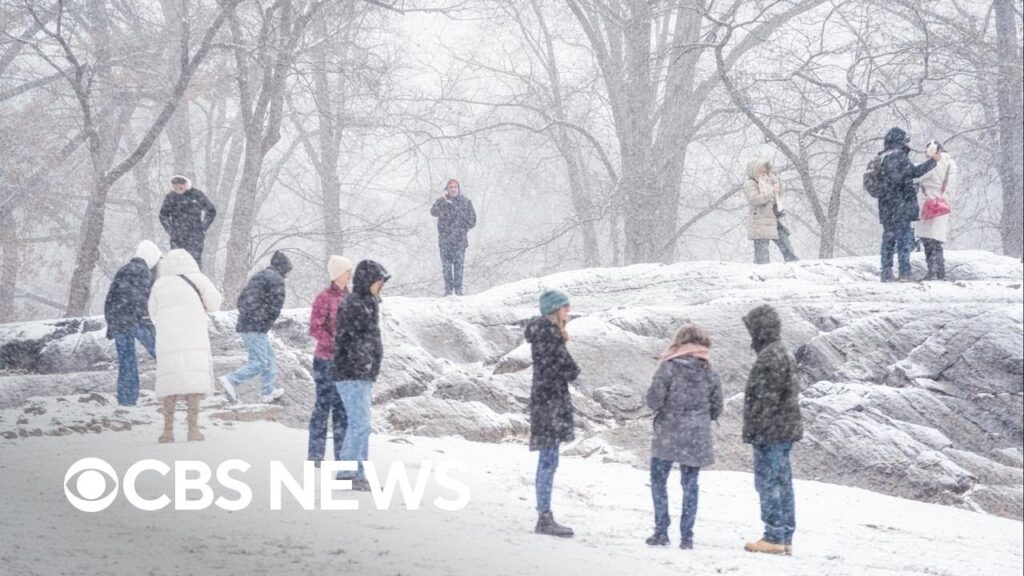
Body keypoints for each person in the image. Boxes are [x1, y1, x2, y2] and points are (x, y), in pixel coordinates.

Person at [644, 324, 723, 549]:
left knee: (659, 481)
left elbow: (653, 401)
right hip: (696, 436)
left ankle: (661, 531)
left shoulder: (668, 367)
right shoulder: (709, 371)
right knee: (690, 484)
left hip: (668, 433)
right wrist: (700, 418)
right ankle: (686, 537)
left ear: (679, 342)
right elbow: (717, 406)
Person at [741, 304, 803, 555]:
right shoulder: (783, 353)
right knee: (783, 483)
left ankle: (774, 535)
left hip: (770, 432)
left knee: (768, 483)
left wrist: (757, 431)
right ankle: (784, 536)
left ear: (760, 329)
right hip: (783, 430)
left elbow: (765, 399)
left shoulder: (769, 356)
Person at [148, 249, 222, 443]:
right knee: (193, 383)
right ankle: (193, 429)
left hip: (168, 340)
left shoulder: (159, 284)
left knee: (169, 383)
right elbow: (215, 304)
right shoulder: (200, 280)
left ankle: (167, 431)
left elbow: (152, 313)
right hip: (194, 339)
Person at [525, 289, 579, 538]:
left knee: (549, 460)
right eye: (564, 307)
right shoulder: (549, 335)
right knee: (548, 461)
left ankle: (544, 513)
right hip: (549, 405)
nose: (568, 311)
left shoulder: (545, 334)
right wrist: (568, 368)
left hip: (546, 404)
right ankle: (544, 516)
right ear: (555, 310)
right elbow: (565, 368)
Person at [333, 259, 390, 491]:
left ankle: (357, 472)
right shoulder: (356, 304)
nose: (380, 287)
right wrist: (363, 362)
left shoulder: (367, 303)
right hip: (352, 373)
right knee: (359, 423)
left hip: (361, 373)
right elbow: (351, 339)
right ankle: (348, 473)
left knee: (361, 425)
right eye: (378, 282)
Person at [219, 251, 292, 404]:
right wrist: (263, 321)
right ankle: (231, 380)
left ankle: (268, 391)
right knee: (259, 362)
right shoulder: (276, 279)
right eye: (288, 271)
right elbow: (275, 307)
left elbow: (241, 300)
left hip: (249, 323)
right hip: (256, 326)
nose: (288, 274)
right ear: (283, 268)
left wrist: (251, 315)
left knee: (270, 357)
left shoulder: (259, 276)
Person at [875, 128, 939, 282]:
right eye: (906, 140)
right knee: (904, 240)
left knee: (888, 240)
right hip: (901, 206)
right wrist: (933, 161)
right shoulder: (899, 156)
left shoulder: (881, 157)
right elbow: (914, 173)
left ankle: (886, 272)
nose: (908, 144)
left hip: (886, 206)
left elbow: (893, 180)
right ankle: (905, 272)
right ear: (900, 141)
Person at [307, 255, 353, 466]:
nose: (350, 274)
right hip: (325, 360)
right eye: (346, 270)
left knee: (342, 410)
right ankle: (315, 454)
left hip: (345, 362)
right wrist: (334, 344)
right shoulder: (323, 298)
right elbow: (315, 328)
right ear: (336, 274)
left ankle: (341, 454)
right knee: (323, 406)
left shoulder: (350, 298)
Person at [104, 240, 162, 406]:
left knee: (127, 362)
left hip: (119, 323)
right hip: (136, 321)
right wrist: (147, 322)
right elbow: (140, 298)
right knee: (161, 354)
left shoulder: (123, 270)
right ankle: (177, 389)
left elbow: (110, 298)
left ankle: (127, 400)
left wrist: (111, 325)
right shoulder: (142, 271)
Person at [915, 141, 956, 281]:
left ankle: (932, 271)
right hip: (943, 205)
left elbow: (916, 176)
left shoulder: (932, 165)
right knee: (936, 241)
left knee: (928, 240)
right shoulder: (951, 165)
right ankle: (940, 272)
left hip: (929, 204)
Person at [429, 179, 477, 296]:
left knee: (458, 266)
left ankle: (459, 290)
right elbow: (433, 212)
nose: (453, 189)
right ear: (447, 190)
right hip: (444, 240)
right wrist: (441, 200)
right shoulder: (442, 201)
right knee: (446, 267)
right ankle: (448, 290)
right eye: (450, 187)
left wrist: (462, 228)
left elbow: (472, 221)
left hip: (460, 241)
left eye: (455, 187)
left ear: (459, 189)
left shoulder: (466, 202)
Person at [745, 160, 798, 264]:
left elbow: (778, 195)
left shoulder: (768, 180)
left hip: (773, 219)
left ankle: (796, 267)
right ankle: (761, 275)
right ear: (754, 169)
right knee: (762, 257)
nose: (764, 170)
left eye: (765, 168)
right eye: (761, 168)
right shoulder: (750, 183)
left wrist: (777, 183)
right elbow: (754, 199)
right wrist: (772, 192)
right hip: (759, 221)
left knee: (786, 244)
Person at [159, 175, 217, 268]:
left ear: (186, 185)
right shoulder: (170, 197)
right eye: (175, 186)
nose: (178, 189)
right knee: (177, 265)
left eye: (180, 186)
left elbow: (211, 211)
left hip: (195, 238)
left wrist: (203, 227)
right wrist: (171, 230)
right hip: (177, 239)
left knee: (194, 265)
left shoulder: (197, 195)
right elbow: (163, 215)